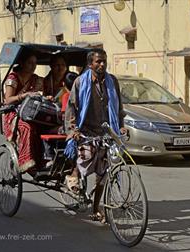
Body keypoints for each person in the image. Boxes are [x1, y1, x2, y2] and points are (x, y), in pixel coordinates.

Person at [64, 48, 127, 222]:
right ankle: (74, 173)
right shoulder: (80, 82)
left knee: (104, 174)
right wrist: (73, 130)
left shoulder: (112, 81)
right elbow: (71, 109)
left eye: (104, 61)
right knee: (87, 157)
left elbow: (118, 107)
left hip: (106, 132)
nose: (102, 64)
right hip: (86, 131)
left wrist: (121, 127)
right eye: (98, 61)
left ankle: (96, 207)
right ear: (90, 64)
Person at [3, 52, 44, 173]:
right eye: (30, 63)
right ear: (22, 63)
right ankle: (25, 160)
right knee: (27, 127)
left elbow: (45, 90)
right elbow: (8, 100)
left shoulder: (35, 79)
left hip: (31, 112)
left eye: (35, 63)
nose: (33, 66)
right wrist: (24, 95)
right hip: (14, 113)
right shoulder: (13, 78)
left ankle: (44, 160)